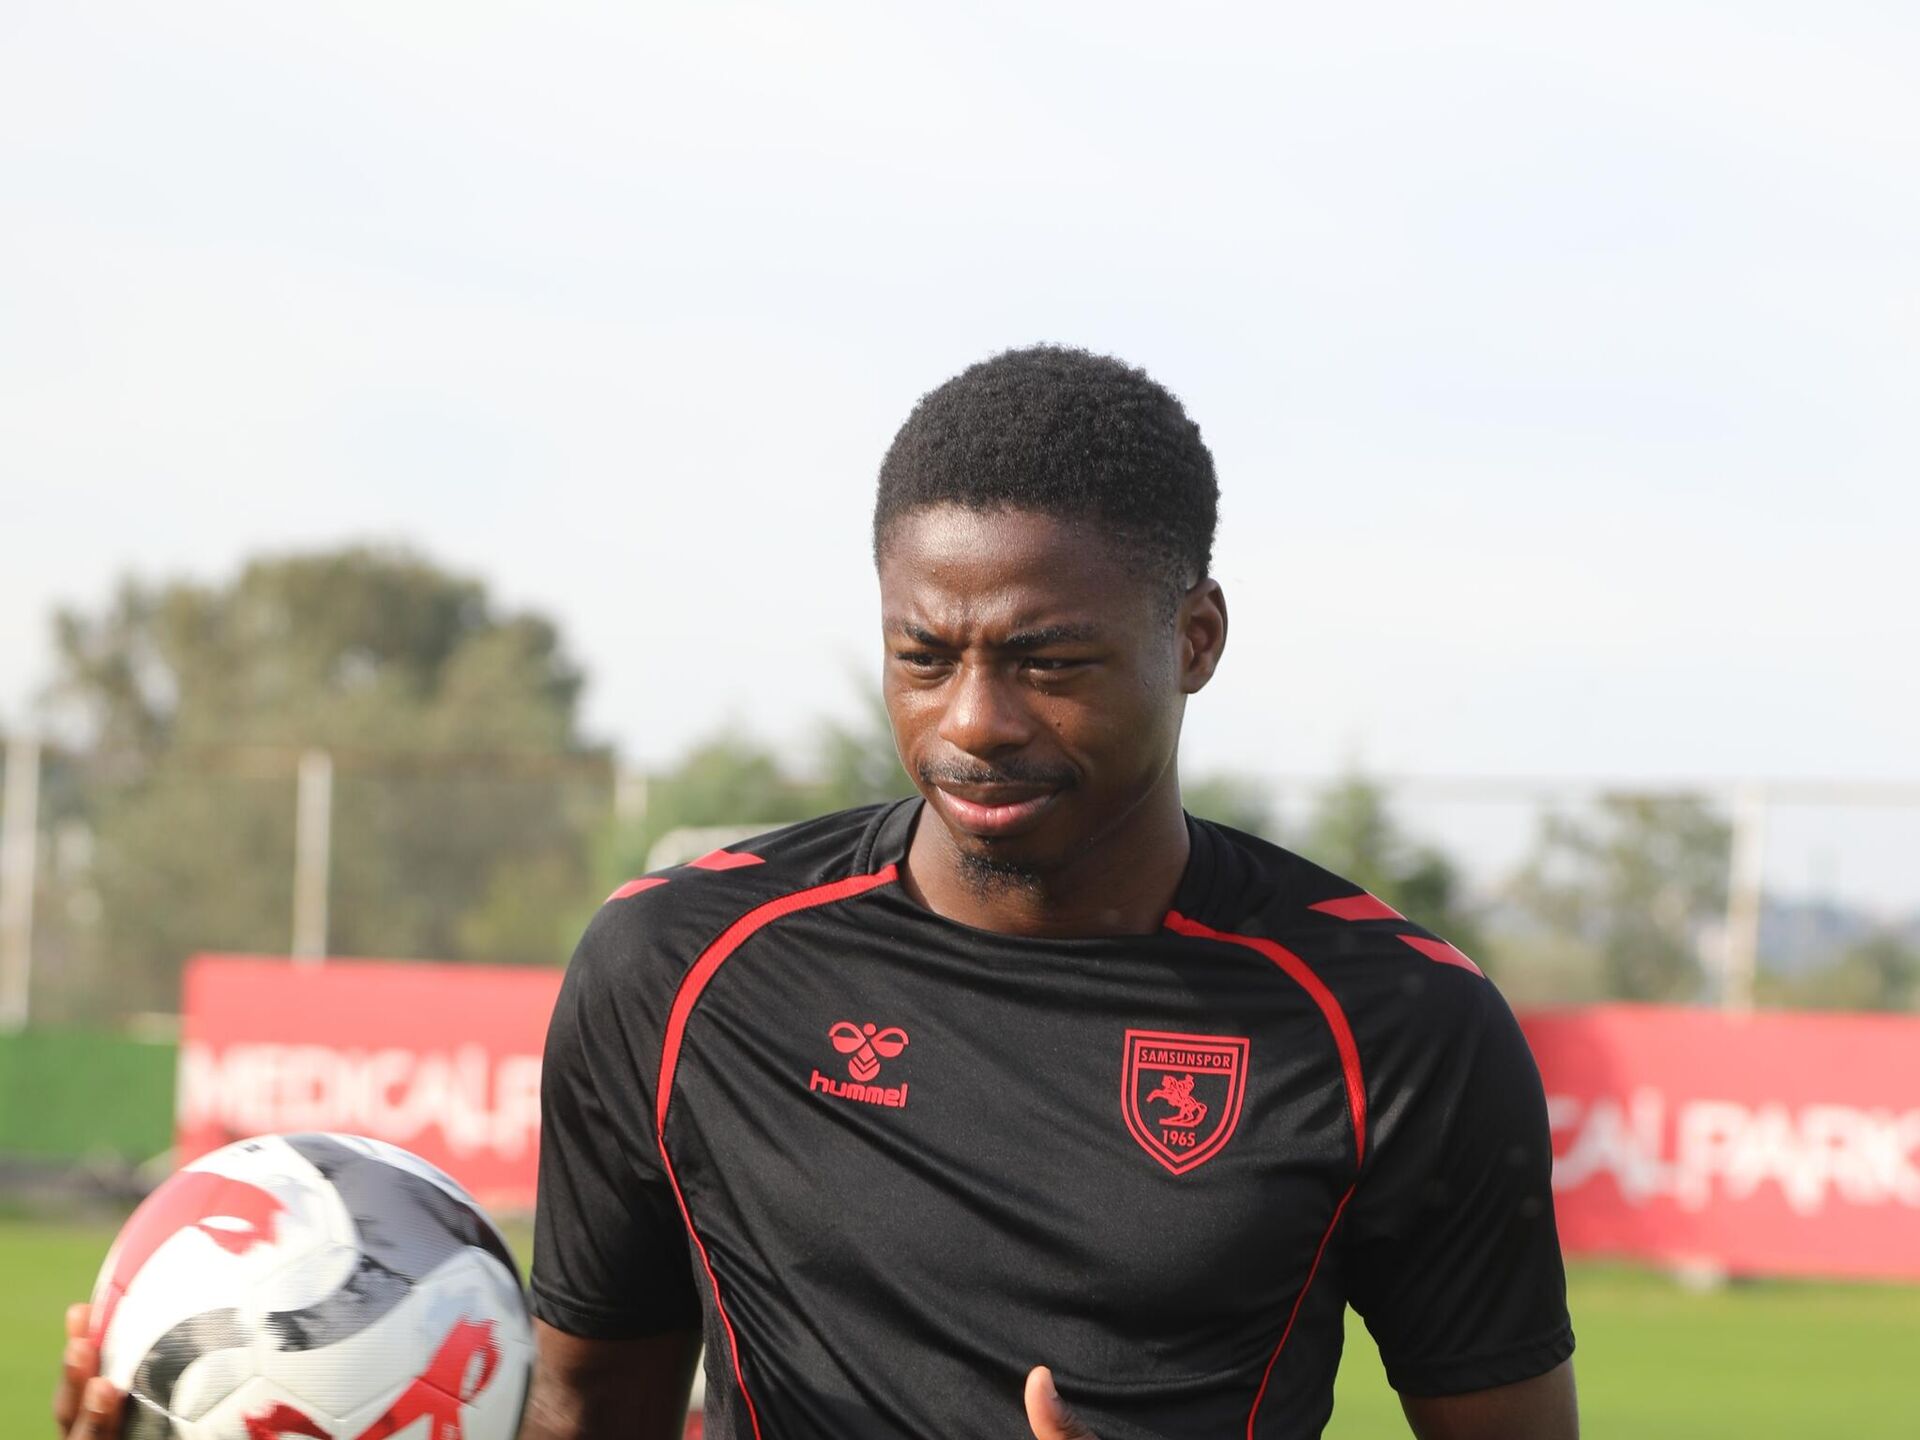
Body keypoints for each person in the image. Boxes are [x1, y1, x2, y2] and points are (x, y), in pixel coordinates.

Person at [54, 346, 1576, 1440]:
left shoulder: (1397, 1026)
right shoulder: (681, 970)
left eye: (1047, 661)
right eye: (925, 655)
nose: (974, 720)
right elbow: (587, 1410)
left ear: (1194, 639)